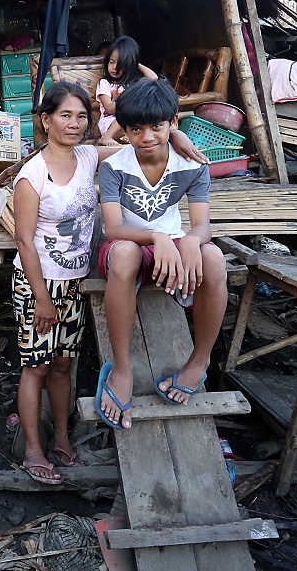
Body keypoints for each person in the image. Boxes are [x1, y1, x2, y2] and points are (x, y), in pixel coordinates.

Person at [12, 80, 206, 484]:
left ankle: (63, 442)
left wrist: (180, 135)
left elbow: (143, 141)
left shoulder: (87, 156)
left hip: (76, 279)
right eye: (64, 115)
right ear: (46, 120)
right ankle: (33, 449)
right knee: (36, 367)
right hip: (40, 282)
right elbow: (24, 241)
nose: (74, 123)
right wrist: (43, 298)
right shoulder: (32, 176)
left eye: (81, 116)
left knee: (63, 364)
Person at [93, 78, 227, 431]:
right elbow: (113, 228)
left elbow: (202, 226)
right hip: (130, 244)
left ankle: (199, 361)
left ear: (172, 124)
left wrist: (188, 242)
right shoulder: (114, 167)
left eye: (157, 126)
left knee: (214, 259)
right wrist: (156, 236)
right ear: (124, 130)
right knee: (124, 254)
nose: (148, 137)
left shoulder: (192, 165)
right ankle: (122, 368)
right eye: (136, 129)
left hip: (172, 246)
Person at [95, 36, 158, 145]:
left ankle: (128, 136)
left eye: (120, 64)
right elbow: (109, 109)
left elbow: (153, 78)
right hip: (110, 125)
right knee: (126, 113)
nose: (114, 68)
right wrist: (125, 99)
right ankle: (107, 137)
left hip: (130, 124)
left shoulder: (132, 84)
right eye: (111, 62)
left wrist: (134, 63)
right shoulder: (105, 83)